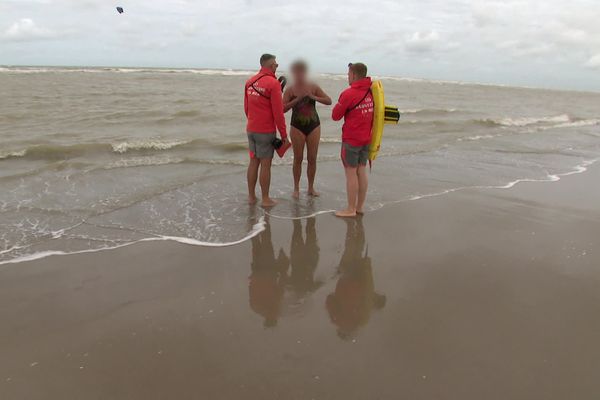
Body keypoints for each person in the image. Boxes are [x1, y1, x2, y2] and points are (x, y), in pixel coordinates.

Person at [244, 54, 290, 207]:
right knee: (265, 165)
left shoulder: (249, 82)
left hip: (251, 129)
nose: (277, 66)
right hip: (265, 131)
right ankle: (265, 199)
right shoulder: (273, 84)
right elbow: (278, 113)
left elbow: (246, 108)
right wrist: (284, 135)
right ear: (270, 65)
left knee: (253, 162)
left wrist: (253, 121)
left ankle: (251, 197)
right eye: (275, 63)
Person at [283, 60, 332, 198]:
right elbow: (282, 109)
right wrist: (297, 99)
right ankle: (296, 189)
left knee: (312, 158)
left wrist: (312, 96)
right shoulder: (290, 90)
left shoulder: (313, 86)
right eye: (296, 72)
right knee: (298, 158)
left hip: (314, 125)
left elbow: (329, 100)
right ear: (293, 73)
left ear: (305, 72)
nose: (299, 75)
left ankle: (311, 188)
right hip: (296, 126)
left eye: (301, 72)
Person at [331, 63, 374, 217]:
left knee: (351, 174)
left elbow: (335, 116)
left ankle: (350, 209)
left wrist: (340, 103)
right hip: (366, 139)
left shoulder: (348, 94)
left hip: (351, 140)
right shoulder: (371, 92)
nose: (347, 77)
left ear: (354, 75)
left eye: (348, 74)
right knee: (361, 172)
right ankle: (360, 207)